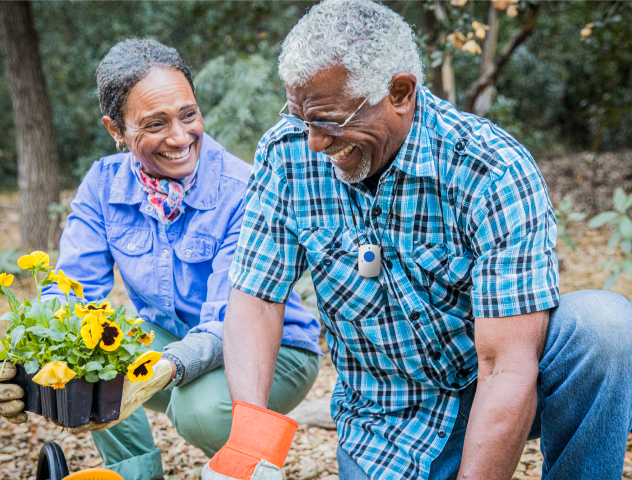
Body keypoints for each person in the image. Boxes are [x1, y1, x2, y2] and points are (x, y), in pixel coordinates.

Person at [212, 1, 632, 479]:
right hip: (383, 420)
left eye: (329, 121)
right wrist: (248, 441)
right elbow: (256, 298)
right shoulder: (286, 154)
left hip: (494, 388)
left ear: (399, 92)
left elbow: (506, 368)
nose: (314, 142)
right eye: (301, 118)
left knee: (605, 328)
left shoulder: (489, 170)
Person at [0, 38, 322, 480]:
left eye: (188, 115)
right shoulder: (103, 186)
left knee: (198, 409)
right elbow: (67, 298)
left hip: (274, 348)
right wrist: (27, 362)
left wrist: (168, 367)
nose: (179, 137)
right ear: (116, 130)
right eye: (154, 124)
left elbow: (229, 319)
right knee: (88, 350)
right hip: (173, 335)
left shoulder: (241, 189)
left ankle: (253, 464)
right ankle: (135, 474)